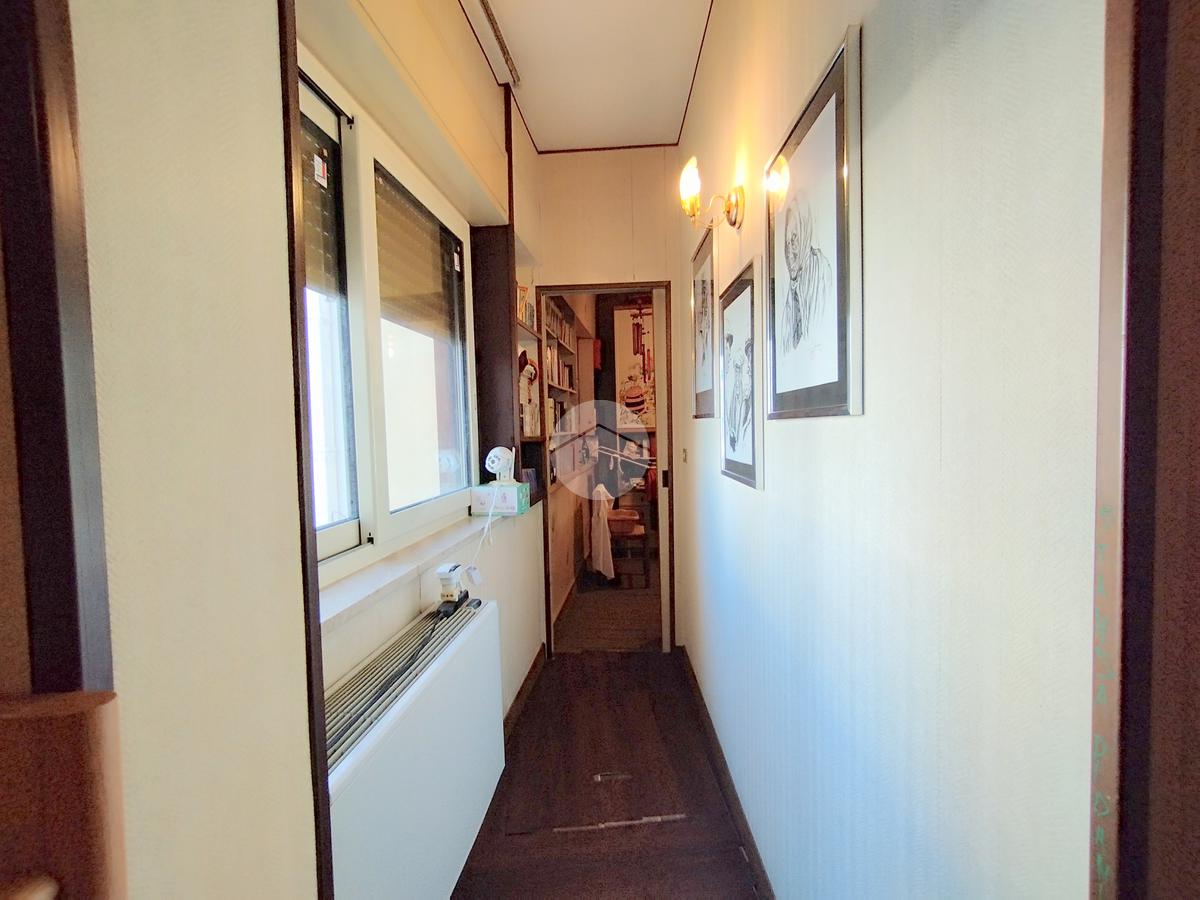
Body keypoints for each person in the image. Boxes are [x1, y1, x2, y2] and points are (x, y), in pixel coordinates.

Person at [781, 195, 832, 348]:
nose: (790, 251)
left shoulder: (821, 271)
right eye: (787, 242)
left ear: (805, 234)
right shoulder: (791, 295)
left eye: (795, 238)